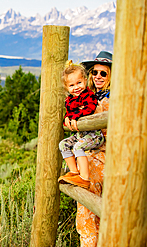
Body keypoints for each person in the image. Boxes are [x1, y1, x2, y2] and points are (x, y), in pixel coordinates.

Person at [75, 51, 112, 246]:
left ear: (111, 77)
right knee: (92, 208)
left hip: (103, 158)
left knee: (88, 209)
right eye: (94, 72)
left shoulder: (112, 99)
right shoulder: (91, 97)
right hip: (94, 157)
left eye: (103, 73)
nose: (97, 76)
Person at [57, 60, 104, 189]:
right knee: (63, 144)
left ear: (85, 80)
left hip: (94, 135)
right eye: (72, 85)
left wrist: (75, 115)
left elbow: (89, 108)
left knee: (78, 147)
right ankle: (74, 172)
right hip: (81, 134)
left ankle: (84, 178)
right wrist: (67, 117)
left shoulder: (89, 96)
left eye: (79, 83)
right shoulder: (70, 100)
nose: (76, 87)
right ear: (66, 87)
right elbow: (70, 113)